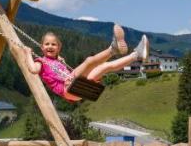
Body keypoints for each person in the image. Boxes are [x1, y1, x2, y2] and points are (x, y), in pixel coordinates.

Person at [17, 24, 149, 102]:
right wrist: (28, 53)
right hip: (68, 90)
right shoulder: (41, 62)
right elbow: (33, 69)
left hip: (79, 89)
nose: (50, 46)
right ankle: (113, 49)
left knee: (105, 66)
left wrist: (60, 60)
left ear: (59, 48)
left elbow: (59, 64)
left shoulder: (58, 61)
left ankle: (137, 54)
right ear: (41, 47)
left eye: (53, 44)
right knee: (89, 61)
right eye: (47, 44)